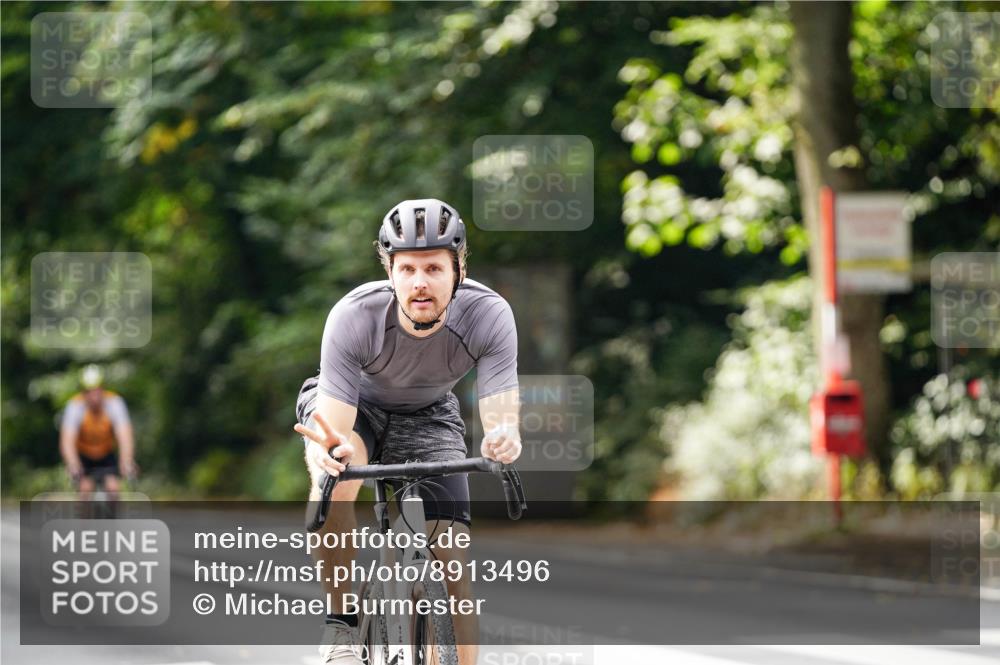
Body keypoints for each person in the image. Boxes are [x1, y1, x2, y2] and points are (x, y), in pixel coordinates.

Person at [294, 198, 522, 665]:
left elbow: (501, 416)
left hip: (428, 411)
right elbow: (337, 430)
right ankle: (342, 622)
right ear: (390, 271)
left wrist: (504, 437)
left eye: (435, 269)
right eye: (408, 269)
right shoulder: (354, 316)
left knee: (453, 567)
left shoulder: (488, 315)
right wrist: (329, 459)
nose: (420, 282)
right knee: (342, 475)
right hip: (355, 405)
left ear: (458, 270)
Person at [59, 364, 137, 496]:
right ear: (83, 392)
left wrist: (127, 461)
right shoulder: (74, 406)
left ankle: (113, 515)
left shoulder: (115, 403)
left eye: (97, 391)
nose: (94, 396)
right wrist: (73, 464)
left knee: (113, 489)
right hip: (84, 455)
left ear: (103, 389)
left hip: (106, 454)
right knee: (85, 489)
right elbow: (67, 442)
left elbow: (125, 437)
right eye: (89, 392)